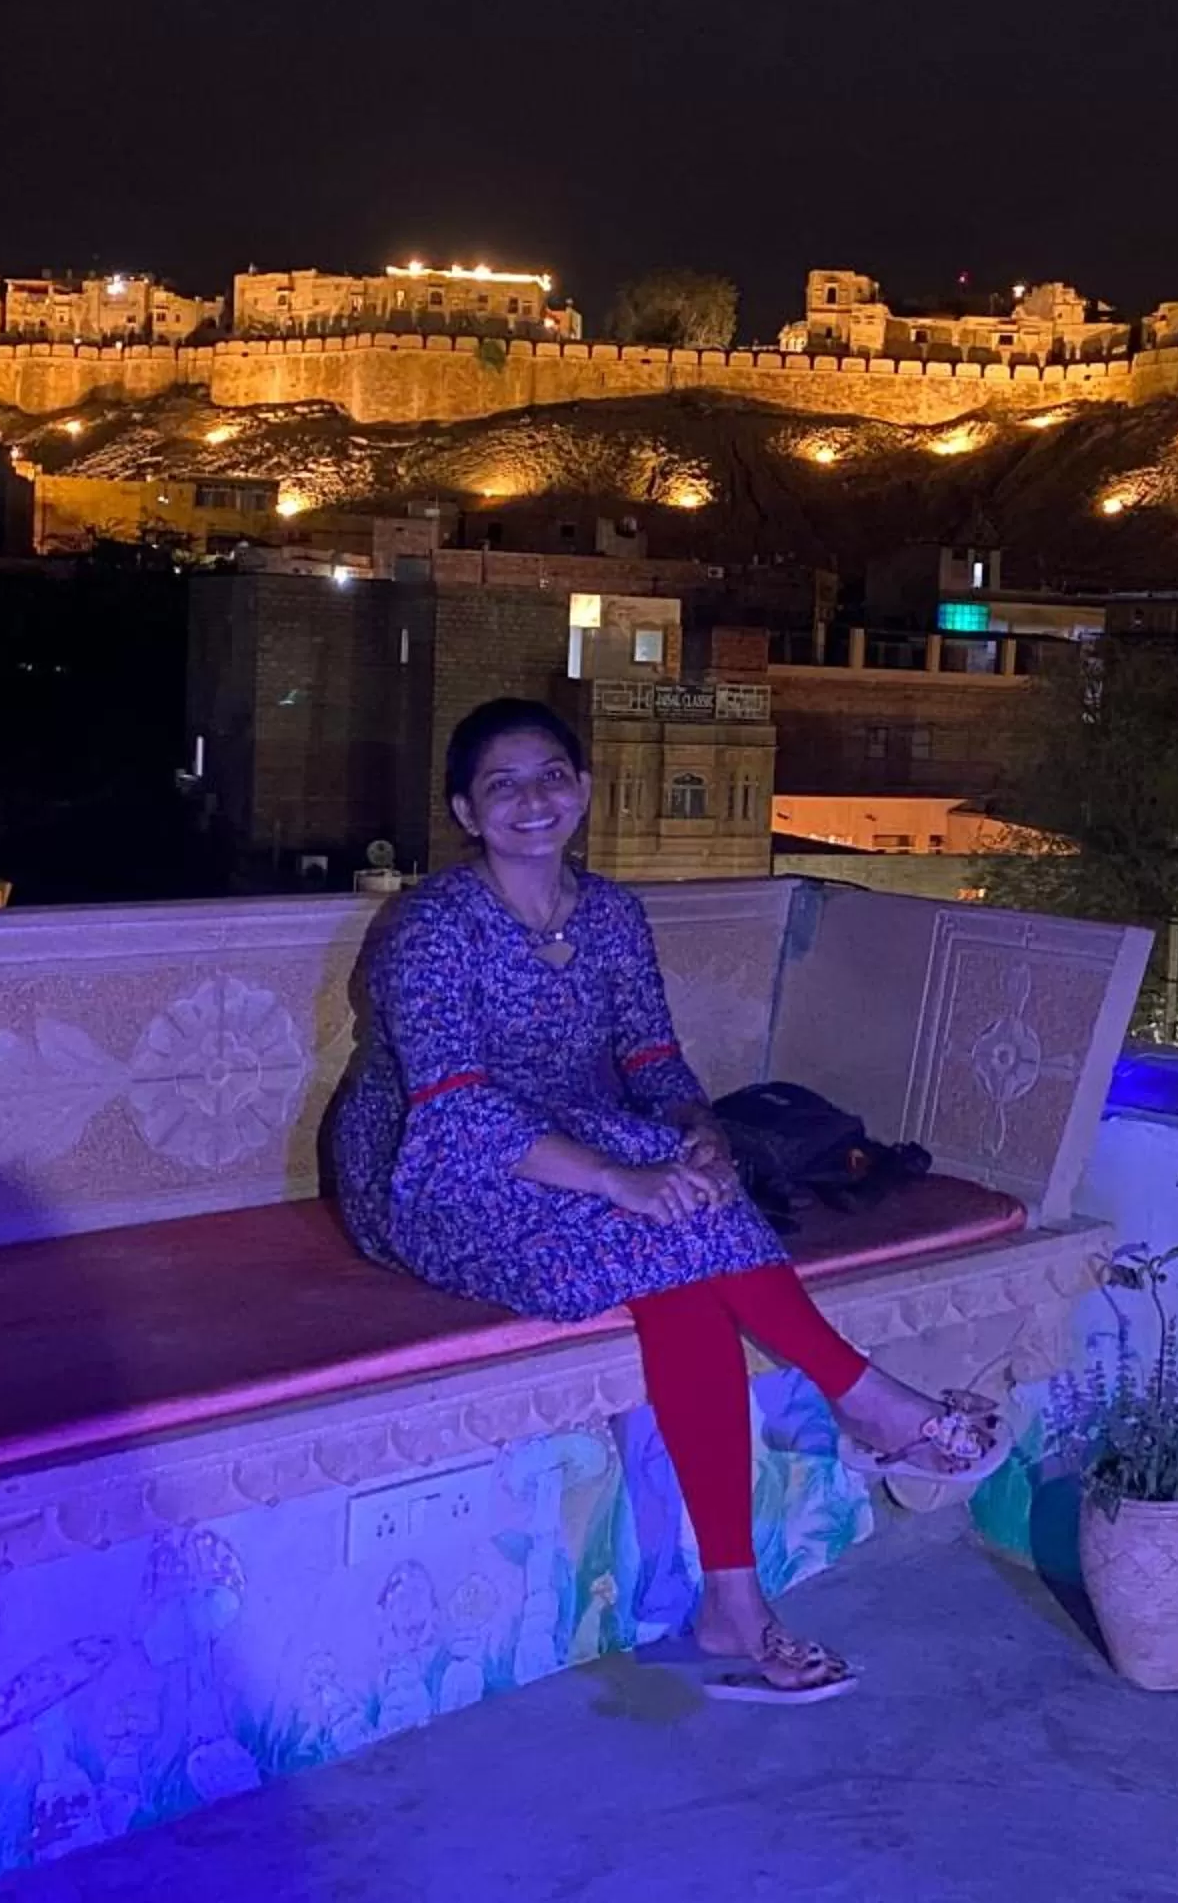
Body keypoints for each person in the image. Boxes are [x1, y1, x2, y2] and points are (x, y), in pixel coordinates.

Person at [333, 697, 1002, 1703]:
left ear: (586, 789)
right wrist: (624, 1180)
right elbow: (455, 1105)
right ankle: (869, 1401)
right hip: (429, 1171)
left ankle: (734, 1604)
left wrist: (700, 1139)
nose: (532, 799)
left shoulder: (609, 914)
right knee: (679, 1240)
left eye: (552, 774)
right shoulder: (430, 931)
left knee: (689, 1251)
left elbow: (649, 1054)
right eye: (502, 784)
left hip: (581, 1138)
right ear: (465, 812)